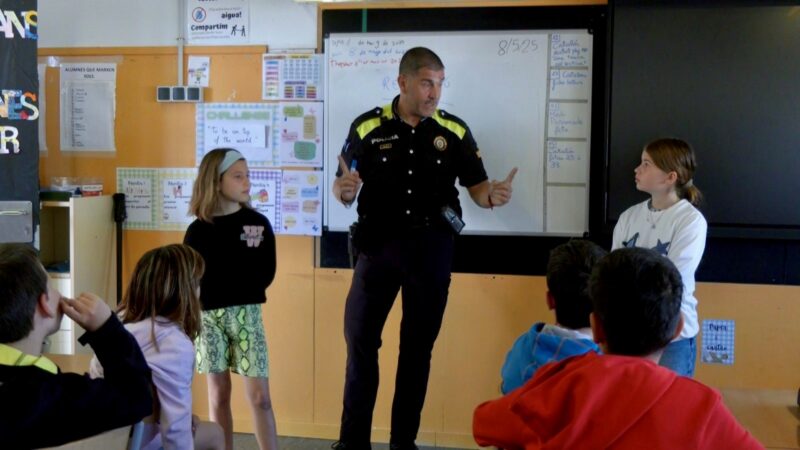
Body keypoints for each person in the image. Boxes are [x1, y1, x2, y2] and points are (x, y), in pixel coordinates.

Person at [332, 46, 517, 450]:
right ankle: (352, 443)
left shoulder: (453, 131)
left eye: (439, 83)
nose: (434, 93)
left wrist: (492, 197)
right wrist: (344, 191)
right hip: (377, 249)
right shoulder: (367, 127)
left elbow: (477, 187)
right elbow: (343, 183)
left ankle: (403, 443)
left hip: (431, 250)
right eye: (426, 83)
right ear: (403, 83)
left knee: (416, 352)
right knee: (361, 345)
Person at [473, 248, 763, 449]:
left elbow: (482, 424)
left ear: (596, 326)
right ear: (677, 329)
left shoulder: (555, 385)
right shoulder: (702, 407)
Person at [0, 243, 153, 447]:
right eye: (51, 286)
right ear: (45, 303)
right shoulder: (53, 397)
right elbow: (137, 396)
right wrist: (107, 329)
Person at [185, 148, 278, 450]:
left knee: (260, 398)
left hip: (247, 315)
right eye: (238, 176)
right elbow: (191, 279)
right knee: (218, 394)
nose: (246, 182)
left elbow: (266, 272)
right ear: (216, 181)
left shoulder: (257, 223)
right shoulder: (197, 231)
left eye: (247, 175)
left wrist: (237, 290)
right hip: (207, 318)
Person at [89, 244, 224, 450]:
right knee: (215, 434)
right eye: (197, 284)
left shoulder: (119, 320)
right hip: (135, 441)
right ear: (185, 292)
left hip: (99, 436)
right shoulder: (174, 343)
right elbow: (175, 429)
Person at [612, 137, 707, 377]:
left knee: (670, 410)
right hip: (629, 333)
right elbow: (611, 272)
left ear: (670, 177)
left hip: (671, 338)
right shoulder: (629, 217)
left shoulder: (690, 221)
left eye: (646, 164)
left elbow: (674, 281)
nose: (637, 169)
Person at [500, 239, 606, 394]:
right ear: (603, 304)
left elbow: (506, 393)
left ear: (550, 300)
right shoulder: (610, 364)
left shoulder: (523, 348)